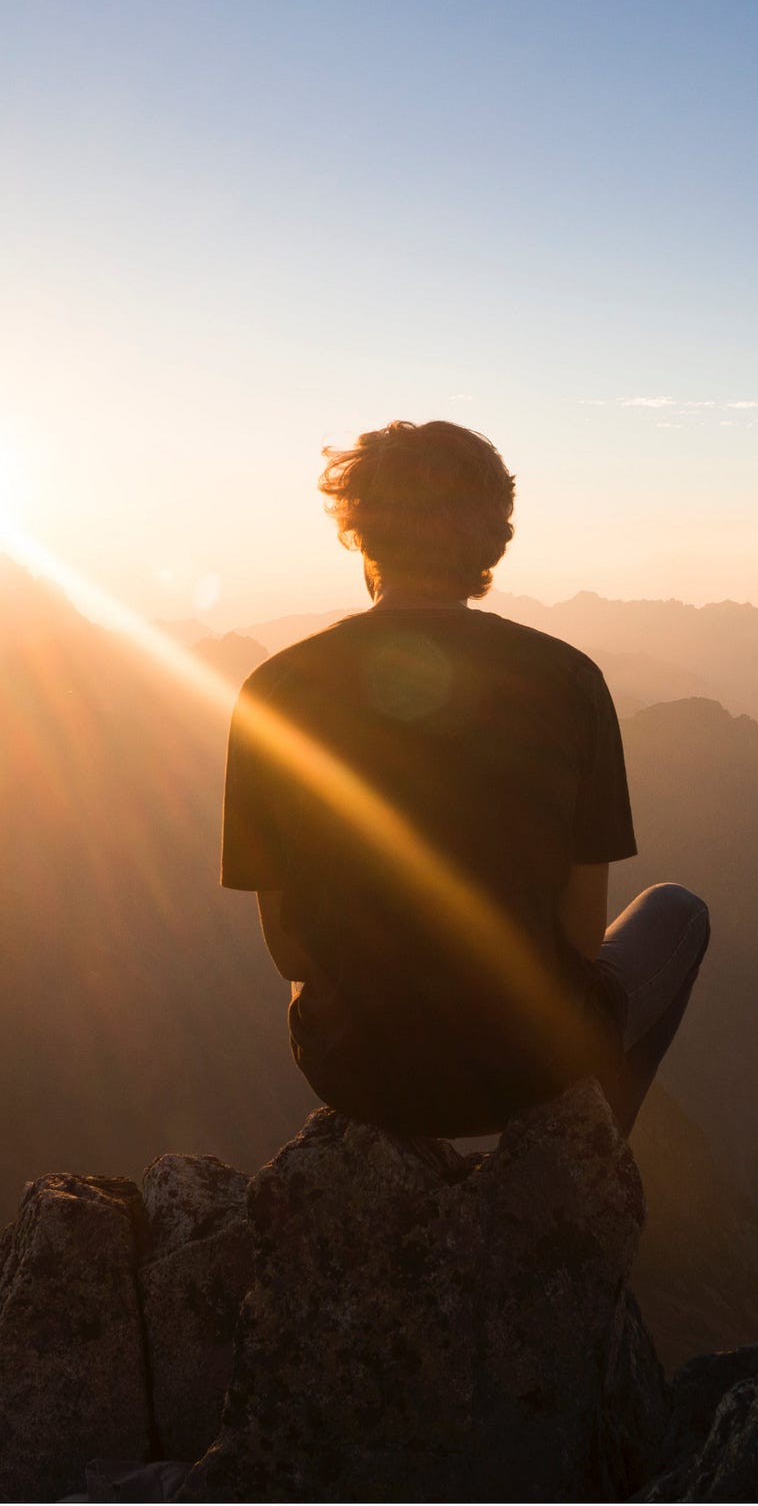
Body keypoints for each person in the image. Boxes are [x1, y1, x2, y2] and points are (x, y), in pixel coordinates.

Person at [220, 420, 708, 1140]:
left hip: (353, 1072)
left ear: (359, 529)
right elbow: (577, 939)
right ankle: (591, 1146)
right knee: (678, 913)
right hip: (526, 1068)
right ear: (491, 537)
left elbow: (290, 952)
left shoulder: (274, 688)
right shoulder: (569, 681)